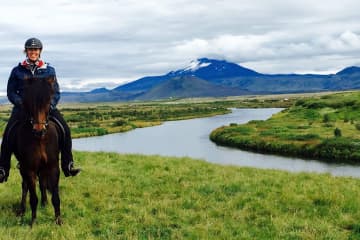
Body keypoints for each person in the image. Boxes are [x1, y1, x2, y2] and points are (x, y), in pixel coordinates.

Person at [0, 37, 81, 183]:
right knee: (8, 134)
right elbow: (11, 92)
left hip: (44, 109)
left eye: (36, 49)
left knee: (65, 129)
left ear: (40, 51)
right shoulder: (17, 71)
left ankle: (67, 165)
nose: (33, 52)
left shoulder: (49, 70)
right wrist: (22, 103)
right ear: (26, 51)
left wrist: (50, 106)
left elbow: (56, 92)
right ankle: (3, 169)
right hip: (23, 109)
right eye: (30, 49)